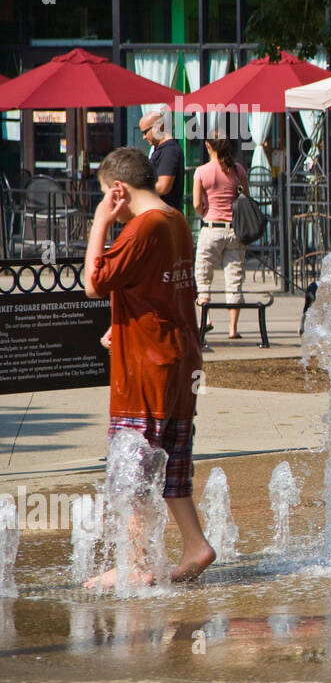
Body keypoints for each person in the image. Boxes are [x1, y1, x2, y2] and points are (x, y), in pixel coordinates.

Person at [84, 146, 214, 588]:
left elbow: (94, 283)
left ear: (117, 189)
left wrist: (101, 222)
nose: (108, 206)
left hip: (145, 365)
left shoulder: (142, 226)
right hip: (178, 356)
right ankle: (196, 546)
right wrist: (123, 324)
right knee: (171, 464)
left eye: (106, 196)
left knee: (135, 466)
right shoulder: (176, 220)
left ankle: (135, 563)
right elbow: (159, 287)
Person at [192, 131, 248, 339]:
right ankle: (233, 329)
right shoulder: (238, 169)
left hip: (211, 228)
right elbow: (246, 198)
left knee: (203, 275)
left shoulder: (202, 172)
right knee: (234, 279)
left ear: (208, 146)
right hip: (234, 230)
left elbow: (197, 204)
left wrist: (205, 213)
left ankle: (206, 319)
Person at [140, 109, 184, 213]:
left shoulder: (169, 151)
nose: (144, 137)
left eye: (145, 132)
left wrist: (138, 191)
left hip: (166, 216)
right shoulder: (161, 149)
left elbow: (163, 187)